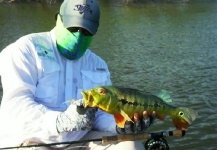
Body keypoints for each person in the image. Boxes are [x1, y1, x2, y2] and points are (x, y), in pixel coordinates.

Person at [0, 0, 155, 149]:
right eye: (73, 28)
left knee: (130, 145)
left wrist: (122, 125)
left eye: (86, 31)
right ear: (58, 19)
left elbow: (101, 115)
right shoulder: (25, 50)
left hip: (81, 140)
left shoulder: (98, 65)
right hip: (33, 140)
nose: (79, 36)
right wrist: (60, 121)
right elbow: (16, 106)